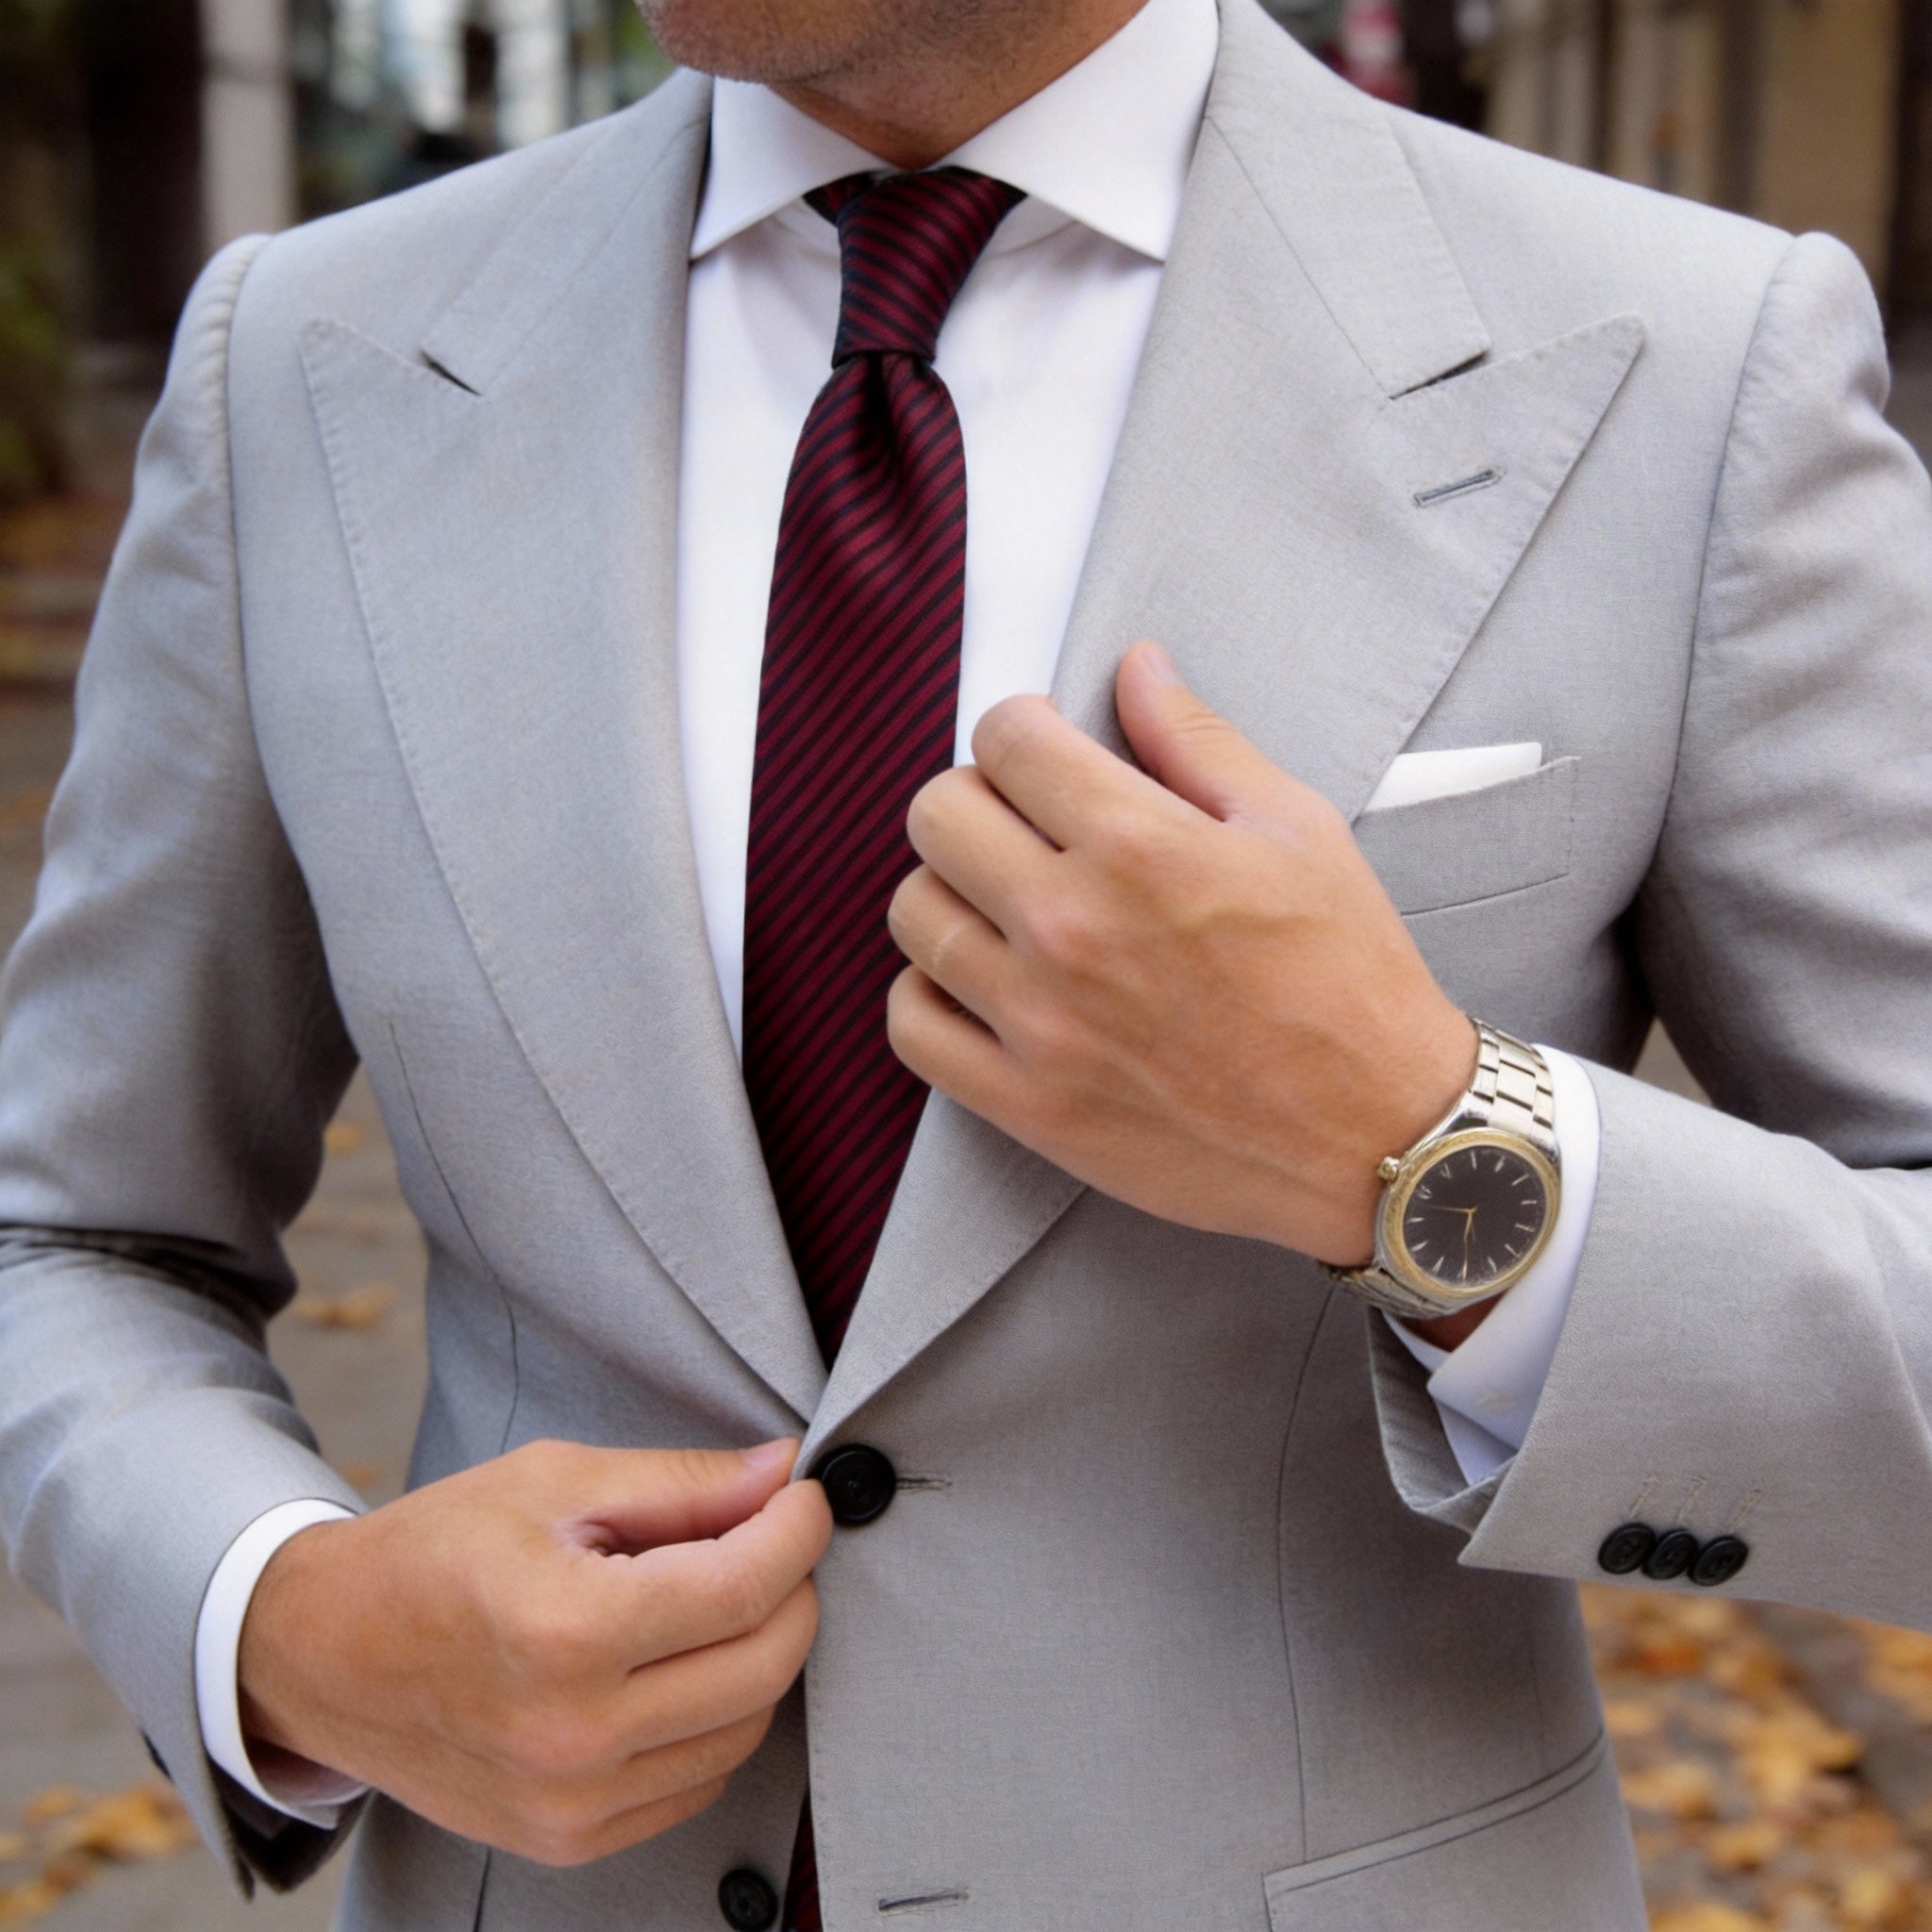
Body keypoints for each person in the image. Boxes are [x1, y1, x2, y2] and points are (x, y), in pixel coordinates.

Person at [1, 0, 1929, 1923]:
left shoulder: (1687, 364)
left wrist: (1425, 1156)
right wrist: (286, 1616)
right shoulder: (304, 365)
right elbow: (71, 1229)